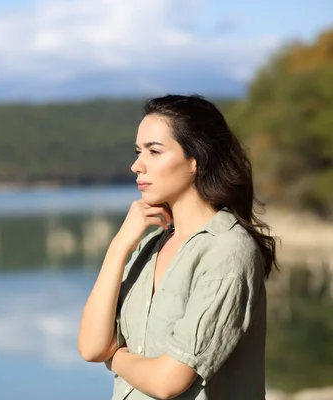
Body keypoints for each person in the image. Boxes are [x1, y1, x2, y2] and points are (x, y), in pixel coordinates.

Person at [77, 94, 279, 399]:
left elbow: (167, 381)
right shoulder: (150, 243)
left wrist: (115, 357)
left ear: (195, 160)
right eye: (137, 151)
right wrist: (118, 248)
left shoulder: (227, 251)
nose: (136, 166)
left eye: (154, 151)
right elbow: (91, 346)